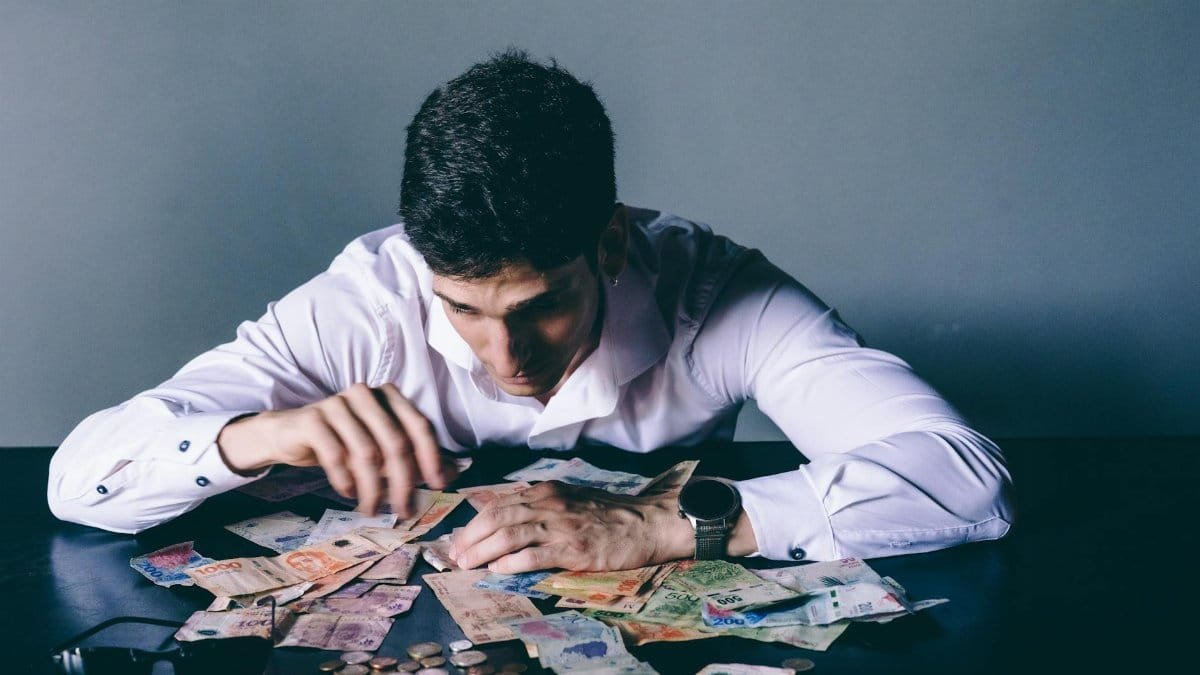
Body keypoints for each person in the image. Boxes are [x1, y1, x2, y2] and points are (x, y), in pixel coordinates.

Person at [47, 50, 1013, 572]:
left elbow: (966, 480)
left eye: (539, 306)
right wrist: (257, 434)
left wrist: (669, 525)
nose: (502, 354)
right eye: (462, 308)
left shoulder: (720, 293)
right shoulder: (363, 299)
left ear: (611, 243)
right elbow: (76, 482)